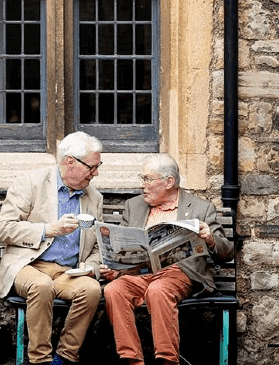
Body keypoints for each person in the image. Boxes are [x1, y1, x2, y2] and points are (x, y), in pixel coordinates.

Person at [99, 153, 235, 365]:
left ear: (169, 181)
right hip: (141, 273)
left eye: (147, 179)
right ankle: (132, 359)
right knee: (114, 290)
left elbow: (226, 253)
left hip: (179, 274)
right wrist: (115, 269)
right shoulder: (133, 206)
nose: (142, 185)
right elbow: (122, 250)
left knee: (158, 290)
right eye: (142, 179)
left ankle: (168, 360)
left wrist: (209, 238)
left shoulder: (200, 208)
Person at [0, 132, 105, 365]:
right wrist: (48, 229)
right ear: (70, 162)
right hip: (29, 265)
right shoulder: (31, 182)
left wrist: (91, 266)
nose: (96, 173)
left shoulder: (94, 197)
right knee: (41, 286)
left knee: (91, 289)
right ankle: (40, 359)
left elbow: (98, 245)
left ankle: (65, 356)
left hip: (68, 272)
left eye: (98, 166)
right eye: (92, 167)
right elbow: (2, 230)